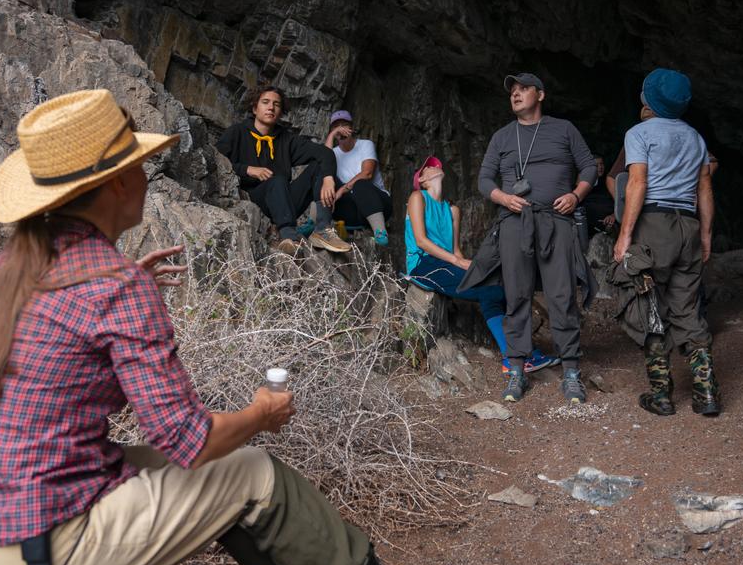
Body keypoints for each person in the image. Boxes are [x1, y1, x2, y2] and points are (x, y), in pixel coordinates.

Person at [0, 90, 456, 565]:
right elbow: (191, 442)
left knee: (164, 462)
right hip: (36, 549)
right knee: (253, 470)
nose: (146, 176)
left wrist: (128, 282)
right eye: (139, 166)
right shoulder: (113, 287)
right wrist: (261, 414)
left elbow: (66, 338)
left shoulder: (14, 265)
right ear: (116, 184)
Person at [464, 72, 597, 405]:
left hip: (556, 221)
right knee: (517, 296)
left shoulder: (564, 129)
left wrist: (576, 195)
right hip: (514, 222)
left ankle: (571, 372)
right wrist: (503, 197)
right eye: (512, 90)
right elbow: (484, 179)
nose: (516, 94)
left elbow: (589, 167)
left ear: (540, 94)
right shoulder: (502, 137)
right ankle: (517, 370)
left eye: (523, 89)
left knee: (562, 294)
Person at [613, 69, 720, 416]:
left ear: (649, 99)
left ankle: (661, 395)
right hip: (688, 224)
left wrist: (625, 235)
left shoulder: (639, 133)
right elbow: (705, 188)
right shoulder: (695, 138)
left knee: (649, 305)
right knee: (687, 306)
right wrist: (705, 235)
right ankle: (706, 393)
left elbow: (637, 184)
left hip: (653, 225)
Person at [405, 156, 557, 374]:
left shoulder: (452, 210)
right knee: (489, 291)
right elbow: (421, 240)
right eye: (427, 167)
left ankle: (522, 354)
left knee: (499, 288)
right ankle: (514, 358)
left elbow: (456, 250)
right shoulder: (417, 197)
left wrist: (472, 267)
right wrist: (458, 262)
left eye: (434, 164)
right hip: (423, 264)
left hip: (446, 261)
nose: (433, 167)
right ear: (421, 180)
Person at [216, 87, 350, 255]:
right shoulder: (237, 132)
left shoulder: (286, 139)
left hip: (285, 203)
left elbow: (325, 153)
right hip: (254, 200)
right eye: (265, 102)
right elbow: (216, 161)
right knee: (277, 180)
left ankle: (322, 230)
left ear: (280, 112)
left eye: (276, 104)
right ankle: (289, 236)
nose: (271, 107)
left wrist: (328, 178)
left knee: (319, 167)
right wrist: (247, 169)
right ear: (255, 108)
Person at [323, 110, 393, 246]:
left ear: (351, 128)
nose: (341, 130)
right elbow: (324, 162)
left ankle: (380, 231)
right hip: (351, 211)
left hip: (377, 205)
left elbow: (367, 173)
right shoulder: (334, 153)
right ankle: (315, 225)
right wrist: (332, 134)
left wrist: (342, 190)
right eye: (337, 127)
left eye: (344, 125)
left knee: (360, 183)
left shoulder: (365, 144)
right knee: (323, 176)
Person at [580, 155, 617, 235]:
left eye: (601, 164)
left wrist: (614, 215)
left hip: (609, 225)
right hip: (589, 227)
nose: (600, 167)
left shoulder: (609, 182)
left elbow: (620, 203)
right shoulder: (582, 185)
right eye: (597, 165)